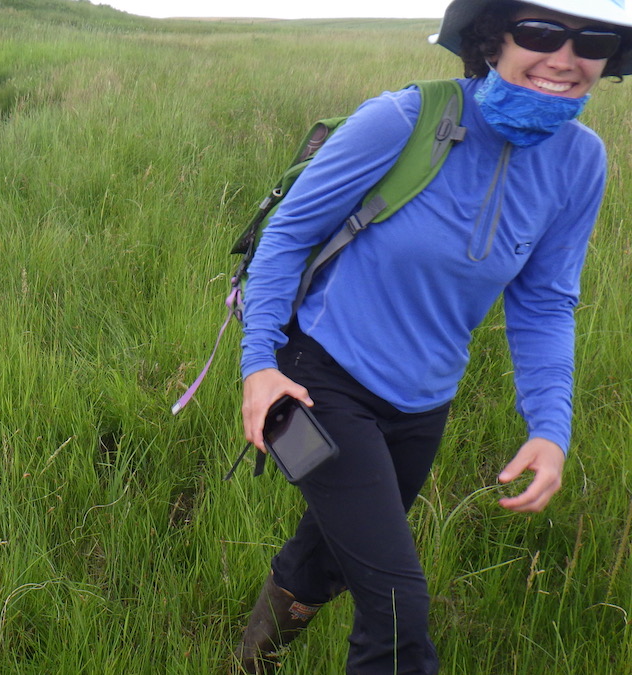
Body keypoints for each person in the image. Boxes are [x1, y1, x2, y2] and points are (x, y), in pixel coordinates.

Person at [233, 1, 631, 673]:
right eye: (539, 32)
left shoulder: (580, 162)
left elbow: (545, 302)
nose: (565, 59)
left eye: (591, 39)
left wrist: (549, 425)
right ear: (492, 37)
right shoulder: (406, 118)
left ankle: (246, 663)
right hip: (311, 381)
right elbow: (287, 236)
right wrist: (257, 364)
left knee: (330, 551)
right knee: (396, 606)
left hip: (423, 403)